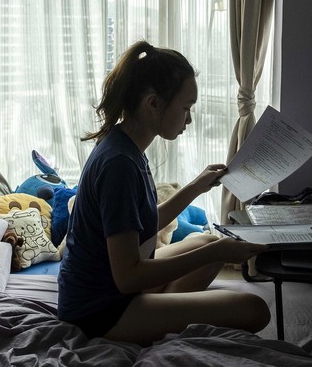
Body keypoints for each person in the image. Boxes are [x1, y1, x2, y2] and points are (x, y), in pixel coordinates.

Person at [57, 40, 270, 346]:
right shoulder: (119, 165)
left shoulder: (127, 147)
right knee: (253, 309)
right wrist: (216, 254)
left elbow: (140, 226)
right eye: (186, 108)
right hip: (99, 310)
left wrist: (195, 188)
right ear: (153, 103)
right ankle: (155, 318)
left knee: (208, 241)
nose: (189, 119)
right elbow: (128, 277)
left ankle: (158, 315)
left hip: (119, 290)